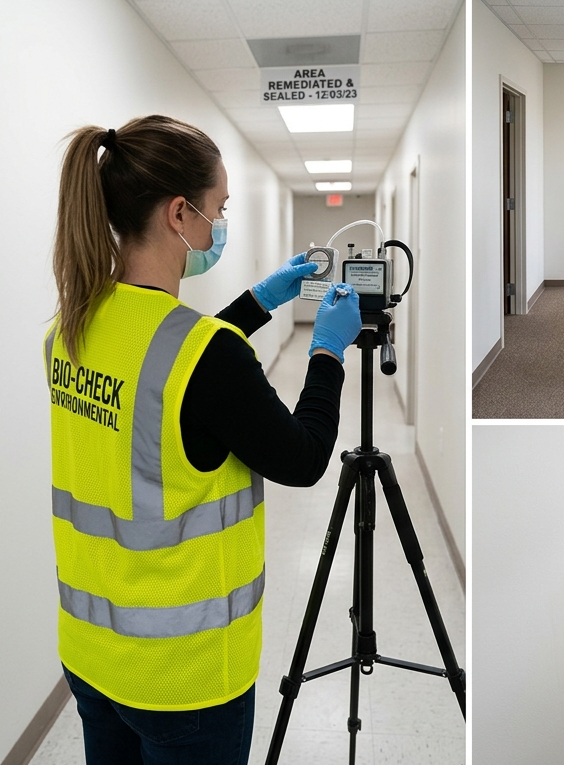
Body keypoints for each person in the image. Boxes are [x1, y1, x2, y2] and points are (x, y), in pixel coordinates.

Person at [46, 115, 364, 764]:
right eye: (218, 209)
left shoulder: (70, 327)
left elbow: (171, 373)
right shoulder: (203, 354)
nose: (220, 226)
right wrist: (328, 350)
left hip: (89, 653)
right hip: (184, 680)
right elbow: (302, 457)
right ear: (179, 214)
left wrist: (262, 298)